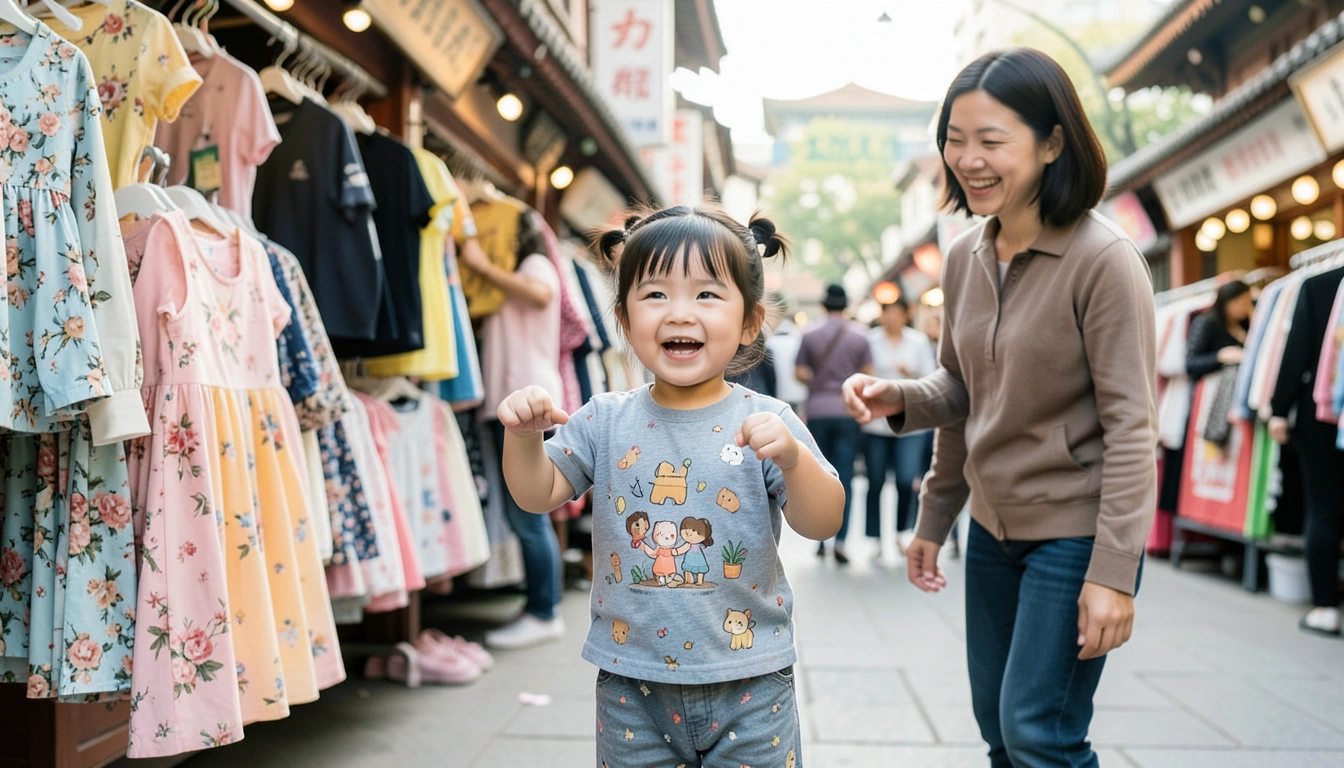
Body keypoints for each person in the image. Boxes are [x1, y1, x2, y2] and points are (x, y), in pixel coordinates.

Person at [843, 48, 1157, 767]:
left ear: (1052, 144)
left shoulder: (1104, 260)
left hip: (1074, 534)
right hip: (992, 531)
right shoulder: (964, 256)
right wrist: (903, 411)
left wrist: (1113, 574)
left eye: (992, 141)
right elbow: (961, 392)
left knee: (1038, 733)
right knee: (997, 728)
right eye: (955, 139)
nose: (968, 159)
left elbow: (1134, 431)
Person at [496, 204, 844, 768]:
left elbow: (823, 520)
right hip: (632, 684)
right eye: (656, 295)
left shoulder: (770, 419)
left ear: (750, 322)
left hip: (751, 679)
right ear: (625, 319)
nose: (680, 313)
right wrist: (522, 438)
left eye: (707, 295)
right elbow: (538, 494)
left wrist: (796, 461)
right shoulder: (603, 419)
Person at [460, 219, 567, 650]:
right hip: (512, 397)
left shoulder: (537, 264)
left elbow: (541, 295)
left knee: (528, 514)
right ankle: (540, 607)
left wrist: (482, 265)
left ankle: (544, 611)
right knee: (521, 511)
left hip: (531, 400)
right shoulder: (516, 274)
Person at [796, 284, 873, 564]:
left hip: (818, 412)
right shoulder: (860, 336)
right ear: (846, 306)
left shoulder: (809, 335)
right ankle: (841, 540)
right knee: (846, 477)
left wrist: (818, 380)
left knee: (819, 475)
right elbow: (868, 374)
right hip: (847, 412)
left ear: (824, 305)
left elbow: (799, 372)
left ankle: (819, 539)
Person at [862, 298, 936, 561]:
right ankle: (875, 540)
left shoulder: (917, 342)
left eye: (897, 313)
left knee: (907, 480)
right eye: (887, 313)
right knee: (876, 481)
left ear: (906, 315)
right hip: (876, 424)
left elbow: (931, 379)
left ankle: (902, 532)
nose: (892, 318)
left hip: (909, 423)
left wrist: (911, 371)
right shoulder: (870, 340)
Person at [1186, 279, 1252, 383]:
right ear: (1227, 302)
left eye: (1249, 302)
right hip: (1211, 388)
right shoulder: (1206, 323)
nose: (1247, 307)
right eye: (1242, 303)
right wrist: (1220, 356)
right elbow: (1190, 364)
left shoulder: (1244, 323)